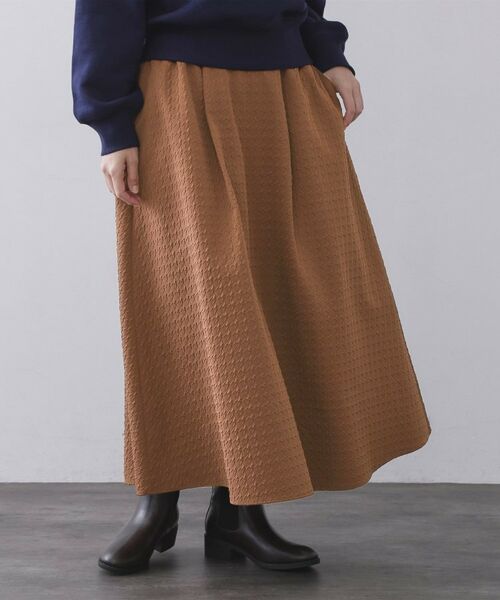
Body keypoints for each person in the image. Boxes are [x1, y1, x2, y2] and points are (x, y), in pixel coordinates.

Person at [72, 0, 431, 575]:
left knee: (279, 294)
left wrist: (328, 54)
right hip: (178, 92)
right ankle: (158, 500)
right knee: (182, 300)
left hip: (288, 90)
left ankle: (240, 511)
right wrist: (111, 124)